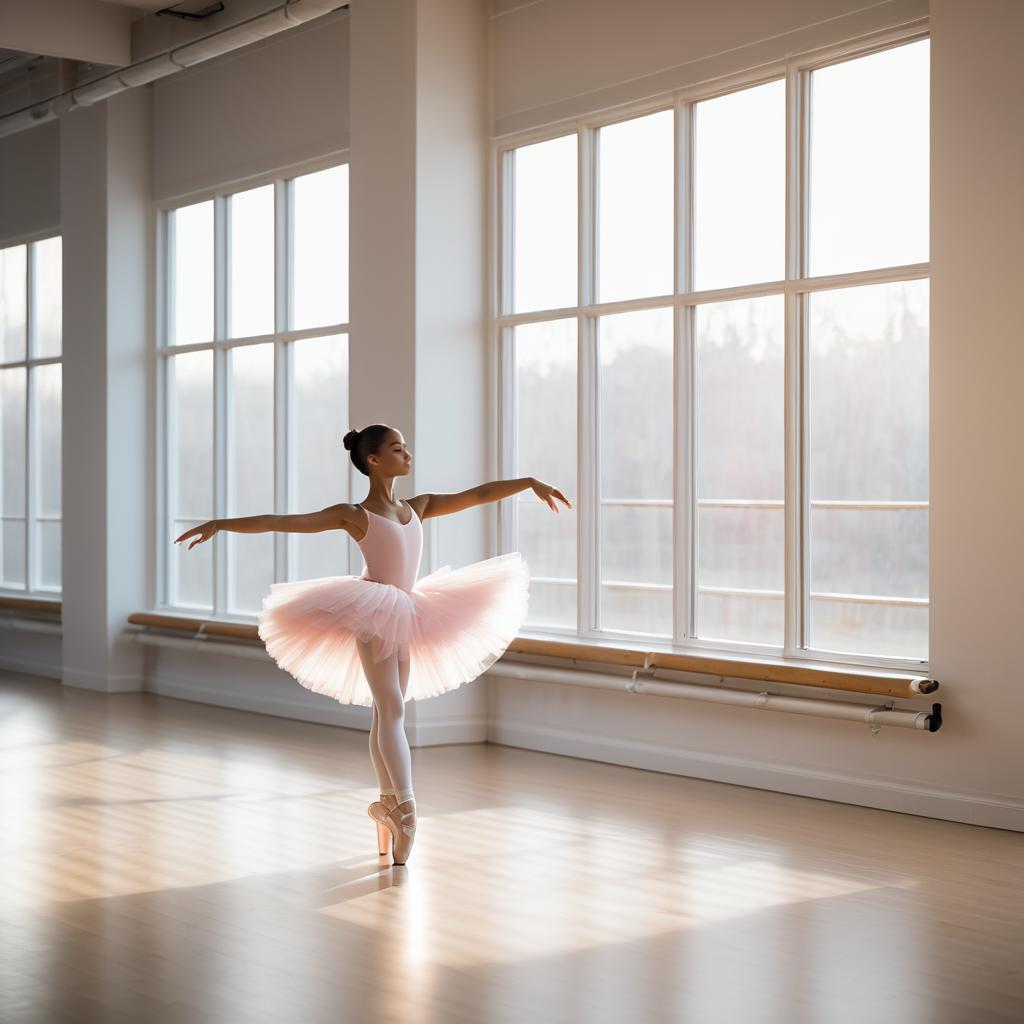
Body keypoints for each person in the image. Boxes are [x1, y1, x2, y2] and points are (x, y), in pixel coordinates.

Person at [173, 423, 570, 866]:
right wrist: (220, 525)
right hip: (374, 612)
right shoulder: (354, 514)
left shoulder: (418, 506)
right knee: (393, 709)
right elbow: (282, 522)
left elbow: (477, 494)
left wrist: (530, 483)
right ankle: (405, 806)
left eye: (407, 448)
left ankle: (387, 803)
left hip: (411, 610)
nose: (408, 454)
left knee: (386, 712)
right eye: (398, 449)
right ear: (374, 461)